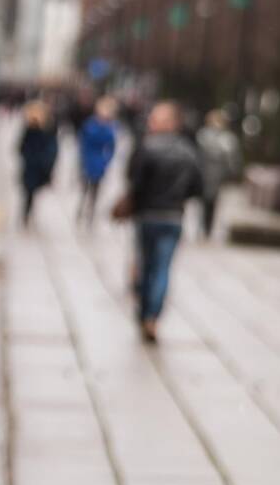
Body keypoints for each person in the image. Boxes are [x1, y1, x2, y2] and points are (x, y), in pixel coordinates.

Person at [125, 101, 203, 342]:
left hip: (147, 216)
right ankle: (153, 316)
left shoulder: (146, 147)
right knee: (162, 269)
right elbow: (197, 187)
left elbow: (134, 182)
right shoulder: (189, 151)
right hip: (172, 217)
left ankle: (144, 310)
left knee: (146, 265)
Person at [195, 109, 241, 237]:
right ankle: (203, 226)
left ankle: (208, 227)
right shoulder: (203, 135)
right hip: (204, 173)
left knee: (213, 201)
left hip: (218, 174)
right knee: (204, 201)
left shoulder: (228, 138)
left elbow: (232, 158)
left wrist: (232, 172)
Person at [77, 96, 118, 227]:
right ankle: (82, 208)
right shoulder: (90, 125)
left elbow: (112, 147)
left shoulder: (109, 128)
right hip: (88, 159)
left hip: (99, 162)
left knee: (95, 189)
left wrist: (106, 160)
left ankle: (91, 211)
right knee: (85, 187)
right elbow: (83, 142)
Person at [18, 100, 58, 226]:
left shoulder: (48, 130)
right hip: (31, 166)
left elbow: (52, 148)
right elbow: (21, 147)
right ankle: (26, 214)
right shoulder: (29, 130)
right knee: (29, 191)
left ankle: (27, 213)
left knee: (32, 192)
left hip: (40, 166)